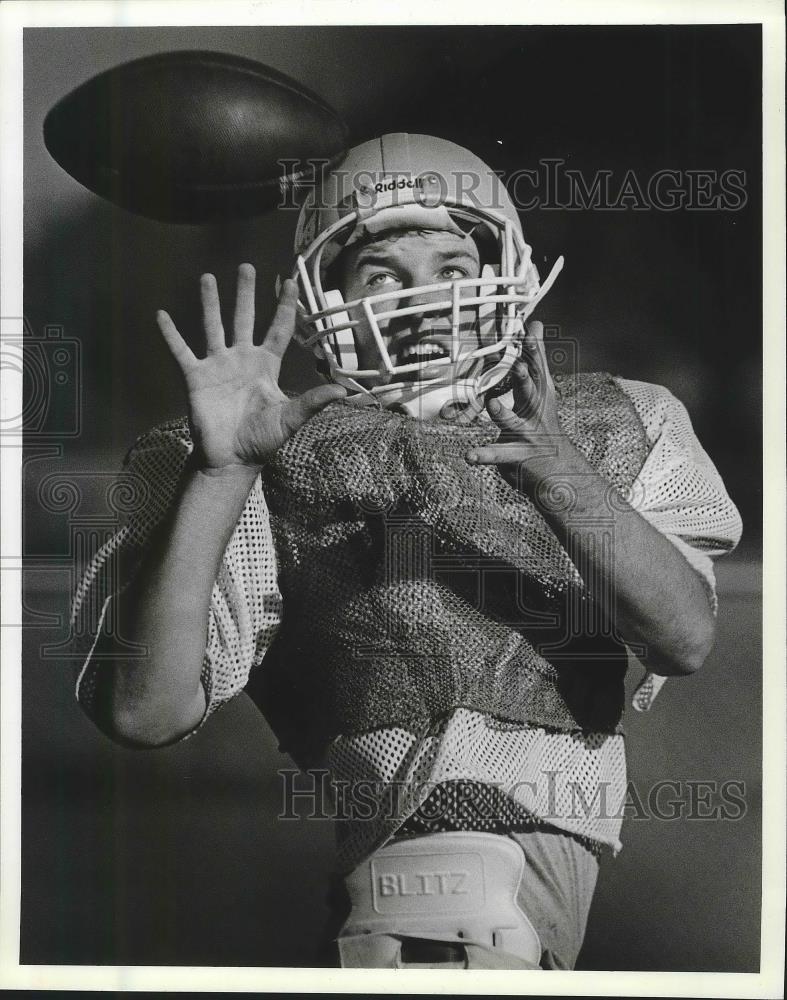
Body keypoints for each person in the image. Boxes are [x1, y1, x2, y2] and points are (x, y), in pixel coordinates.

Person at [72, 133, 743, 970]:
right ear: (325, 301)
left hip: (540, 878)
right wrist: (219, 474)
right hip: (412, 891)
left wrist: (559, 473)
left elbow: (683, 637)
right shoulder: (260, 452)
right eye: (383, 275)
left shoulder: (610, 420)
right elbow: (144, 710)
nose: (424, 299)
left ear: (509, 272)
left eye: (452, 266)